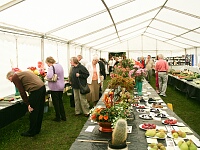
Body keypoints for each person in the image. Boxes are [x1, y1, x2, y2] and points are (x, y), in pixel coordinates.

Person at [6, 70, 46, 137]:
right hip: (42, 87)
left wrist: (28, 104)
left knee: (33, 111)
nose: (11, 81)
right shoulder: (23, 73)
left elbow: (21, 91)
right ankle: (37, 129)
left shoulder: (15, 77)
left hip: (35, 90)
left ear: (11, 76)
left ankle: (31, 132)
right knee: (39, 110)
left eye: (10, 79)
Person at [45, 56, 66, 122]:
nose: (47, 65)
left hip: (55, 87)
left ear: (49, 62)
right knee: (60, 101)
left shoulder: (51, 67)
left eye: (47, 63)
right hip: (61, 86)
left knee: (56, 102)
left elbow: (49, 76)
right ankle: (63, 116)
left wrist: (46, 76)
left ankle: (58, 117)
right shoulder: (60, 65)